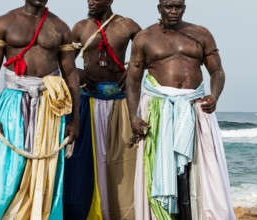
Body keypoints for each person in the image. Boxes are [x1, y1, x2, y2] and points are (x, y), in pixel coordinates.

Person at [0, 0, 80, 219]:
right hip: (13, 103)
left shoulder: (60, 27)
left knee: (46, 169)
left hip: (49, 106)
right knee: (3, 167)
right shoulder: (5, 22)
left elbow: (71, 74)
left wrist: (75, 119)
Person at [125, 0, 236, 219]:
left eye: (178, 6)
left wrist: (214, 96)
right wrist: (133, 115)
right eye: (168, 6)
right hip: (158, 108)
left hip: (195, 107)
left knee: (201, 168)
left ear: (184, 7)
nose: (173, 11)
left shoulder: (201, 34)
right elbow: (133, 79)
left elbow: (217, 72)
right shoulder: (145, 37)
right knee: (160, 168)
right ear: (159, 8)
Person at [63, 0, 142, 219]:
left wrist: (134, 69)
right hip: (88, 100)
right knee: (84, 158)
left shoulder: (128, 26)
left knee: (125, 160)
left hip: (122, 100)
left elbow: (147, 52)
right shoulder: (80, 27)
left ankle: (124, 211)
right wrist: (76, 71)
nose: (90, 2)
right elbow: (63, 57)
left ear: (109, 1)